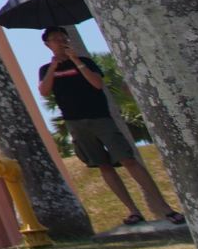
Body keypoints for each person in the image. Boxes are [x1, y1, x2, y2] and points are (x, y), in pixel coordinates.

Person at [39, 27, 184, 227]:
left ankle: (166, 209)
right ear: (48, 44)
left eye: (63, 38)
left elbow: (97, 84)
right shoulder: (46, 69)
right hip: (76, 122)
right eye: (55, 39)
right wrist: (54, 68)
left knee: (128, 160)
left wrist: (77, 61)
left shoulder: (86, 62)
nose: (61, 41)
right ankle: (133, 211)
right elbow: (45, 91)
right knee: (104, 166)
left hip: (100, 118)